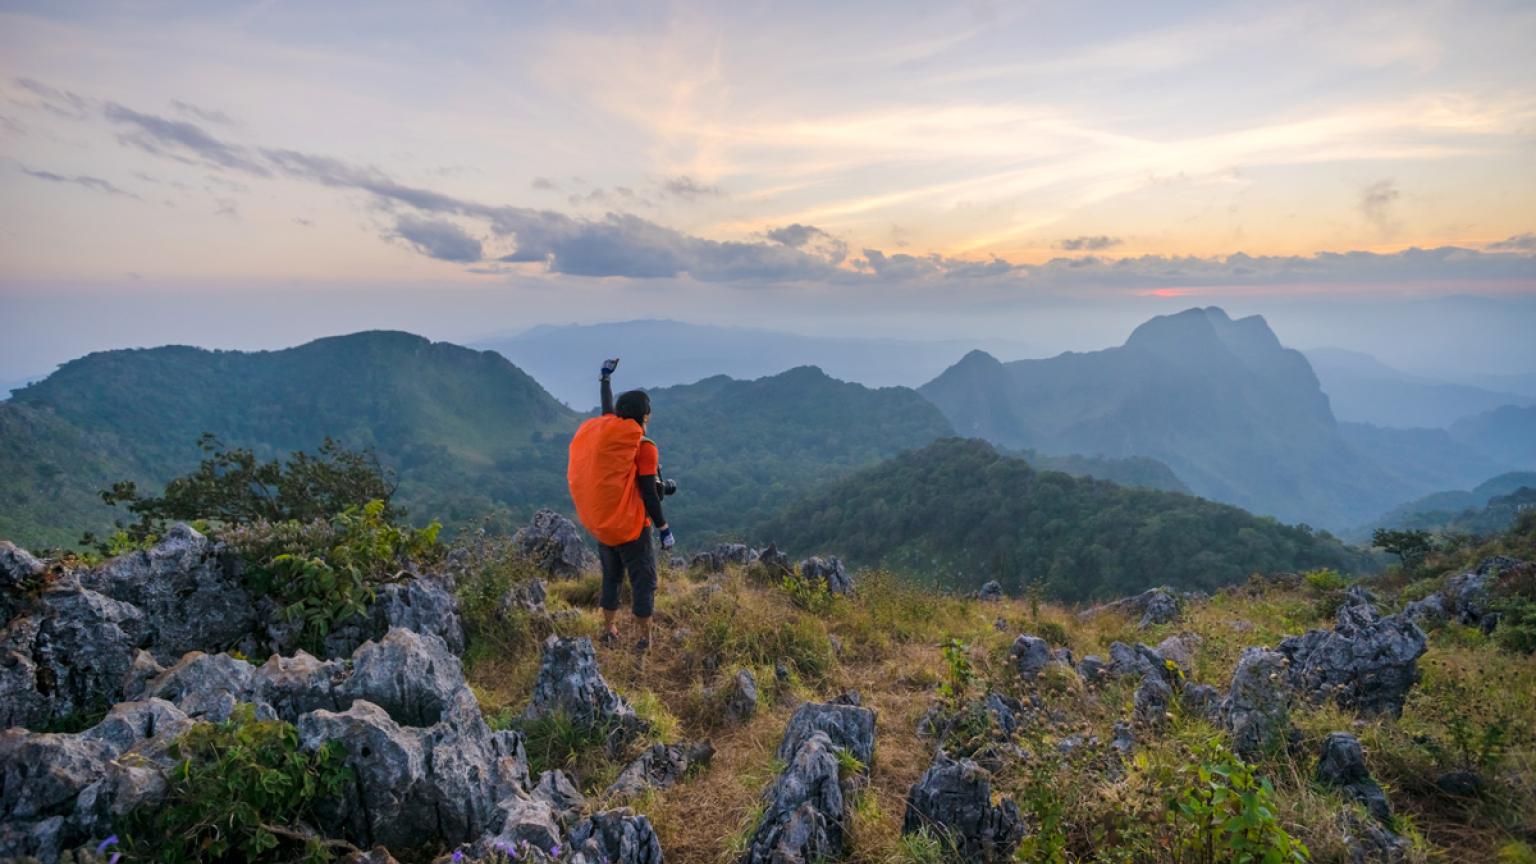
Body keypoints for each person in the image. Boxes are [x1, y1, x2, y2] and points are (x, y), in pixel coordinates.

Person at [566, 357, 674, 652]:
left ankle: (609, 631)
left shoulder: (609, 435)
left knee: (611, 578)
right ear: (645, 415)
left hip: (604, 526)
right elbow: (649, 493)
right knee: (644, 581)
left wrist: (605, 379)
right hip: (631, 527)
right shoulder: (644, 447)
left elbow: (606, 413)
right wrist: (664, 527)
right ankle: (644, 639)